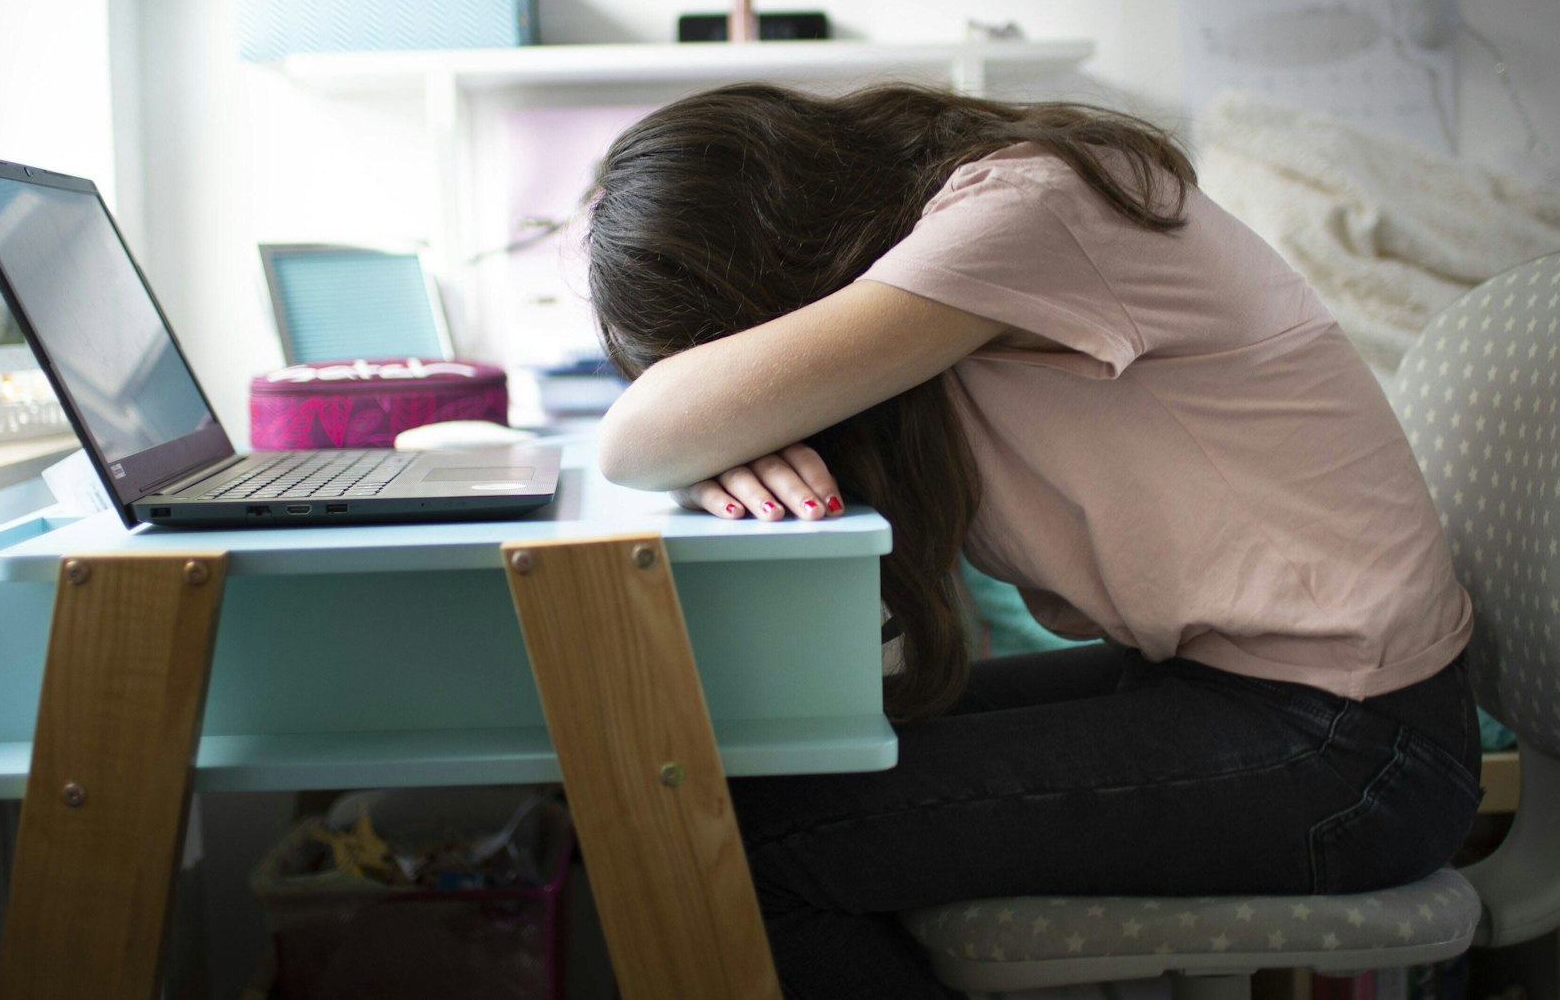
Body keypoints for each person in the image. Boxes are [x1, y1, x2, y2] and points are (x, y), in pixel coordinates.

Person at [584, 83, 1482, 1000]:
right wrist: (714, 447)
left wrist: (701, 436)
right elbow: (663, 431)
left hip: (1359, 749)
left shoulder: (1030, 210)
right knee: (766, 775)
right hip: (1259, 698)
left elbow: (633, 436)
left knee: (742, 844)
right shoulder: (968, 252)